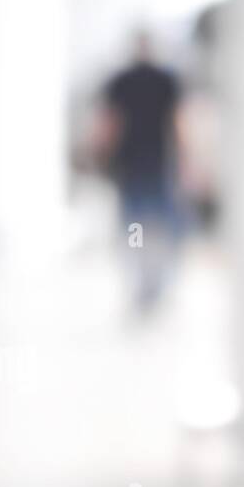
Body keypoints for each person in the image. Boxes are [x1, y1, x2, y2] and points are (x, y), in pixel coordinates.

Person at [96, 31, 186, 311]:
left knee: (136, 227)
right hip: (151, 164)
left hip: (139, 165)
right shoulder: (162, 81)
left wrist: (102, 152)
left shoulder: (127, 81)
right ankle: (151, 283)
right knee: (154, 226)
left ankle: (145, 284)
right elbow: (177, 124)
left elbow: (112, 124)